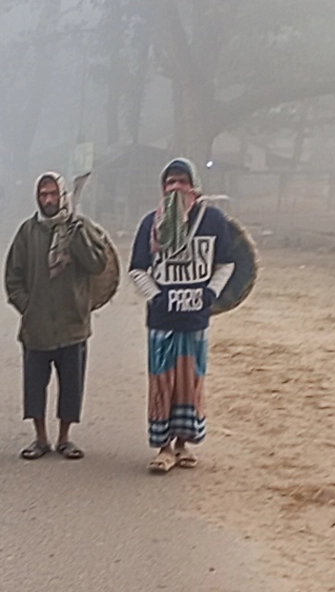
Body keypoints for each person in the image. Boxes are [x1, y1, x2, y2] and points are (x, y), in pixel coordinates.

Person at [128, 158, 235, 474]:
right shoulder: (151, 224)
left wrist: (210, 293)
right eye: (170, 182)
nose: (176, 187)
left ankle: (182, 444)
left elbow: (227, 263)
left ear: (194, 186)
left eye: (182, 182)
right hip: (162, 322)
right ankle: (163, 448)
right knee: (163, 384)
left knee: (191, 383)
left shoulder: (213, 220)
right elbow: (137, 268)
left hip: (195, 320)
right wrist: (156, 296)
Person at [5, 172, 111, 461]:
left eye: (53, 194)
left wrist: (77, 235)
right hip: (36, 327)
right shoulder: (28, 232)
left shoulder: (80, 227)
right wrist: (28, 306)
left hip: (73, 324)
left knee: (71, 386)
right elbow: (13, 276)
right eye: (43, 195)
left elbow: (97, 264)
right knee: (35, 385)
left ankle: (65, 438)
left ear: (63, 195)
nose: (48, 200)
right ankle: (40, 438)